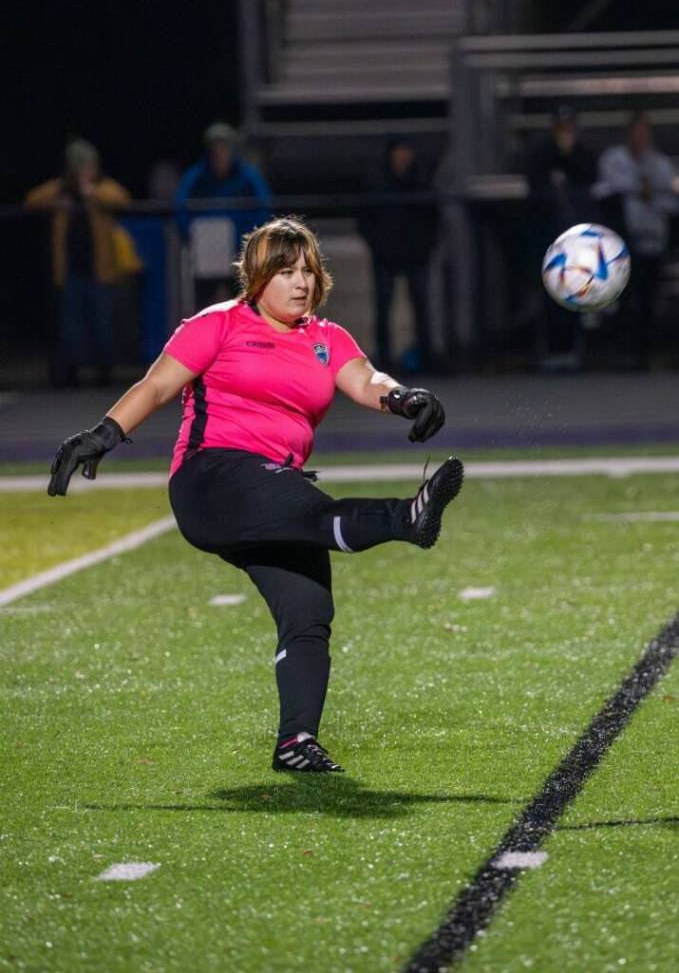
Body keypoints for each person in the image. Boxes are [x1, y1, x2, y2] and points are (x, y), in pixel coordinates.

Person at [47, 216, 463, 775]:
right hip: (211, 479)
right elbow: (157, 386)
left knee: (309, 611)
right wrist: (104, 434)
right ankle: (405, 518)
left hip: (273, 489)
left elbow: (367, 379)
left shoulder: (326, 338)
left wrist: (404, 397)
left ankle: (296, 742)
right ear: (257, 278)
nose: (301, 283)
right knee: (313, 513)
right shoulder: (217, 324)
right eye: (286, 272)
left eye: (309, 272)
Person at [25, 138, 132, 387]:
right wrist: (55, 200)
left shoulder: (101, 188)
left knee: (101, 324)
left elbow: (122, 199)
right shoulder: (61, 190)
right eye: (78, 167)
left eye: (87, 166)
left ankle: (105, 372)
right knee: (71, 326)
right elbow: (31, 200)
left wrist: (92, 192)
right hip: (70, 271)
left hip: (99, 270)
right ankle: (70, 373)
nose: (84, 172)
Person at [594, 113, 678, 369]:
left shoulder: (660, 164)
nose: (640, 139)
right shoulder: (614, 160)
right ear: (628, 134)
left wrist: (651, 193)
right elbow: (606, 190)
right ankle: (622, 349)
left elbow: (671, 201)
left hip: (653, 238)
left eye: (645, 134)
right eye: (636, 133)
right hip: (622, 240)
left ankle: (644, 351)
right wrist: (639, 189)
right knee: (625, 295)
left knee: (649, 295)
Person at [525, 105, 598, 370]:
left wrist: (568, 156)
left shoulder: (582, 153)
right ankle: (552, 350)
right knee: (550, 295)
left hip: (576, 237)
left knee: (577, 291)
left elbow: (590, 179)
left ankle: (575, 348)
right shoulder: (540, 154)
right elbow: (534, 192)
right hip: (549, 237)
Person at [360, 139, 439, 373]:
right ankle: (384, 357)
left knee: (422, 306)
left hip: (416, 254)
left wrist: (427, 245)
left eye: (407, 151)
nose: (403, 156)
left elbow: (433, 217)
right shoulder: (377, 182)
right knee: (383, 307)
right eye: (399, 151)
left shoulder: (421, 180)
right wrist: (378, 245)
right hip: (386, 255)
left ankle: (426, 356)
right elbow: (365, 219)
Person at [175, 122, 272, 310]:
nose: (219, 152)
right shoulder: (196, 176)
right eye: (215, 147)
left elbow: (264, 207)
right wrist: (191, 235)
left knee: (246, 305)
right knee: (205, 306)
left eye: (224, 146)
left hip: (239, 251)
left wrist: (251, 239)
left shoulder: (247, 175)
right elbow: (181, 207)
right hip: (207, 253)